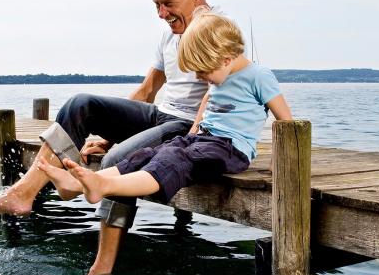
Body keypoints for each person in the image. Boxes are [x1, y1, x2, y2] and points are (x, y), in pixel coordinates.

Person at [0, 0, 211, 275]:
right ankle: (29, 190)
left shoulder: (215, 28)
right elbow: (148, 89)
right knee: (81, 104)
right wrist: (111, 133)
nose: (162, 13)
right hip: (161, 115)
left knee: (119, 160)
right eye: (156, 5)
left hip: (187, 126)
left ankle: (100, 270)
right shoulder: (169, 37)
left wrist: (192, 137)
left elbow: (219, 90)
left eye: (168, 4)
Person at [36, 12, 292, 222]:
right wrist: (192, 134)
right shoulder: (220, 76)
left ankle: (101, 186)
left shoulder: (259, 76)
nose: (201, 78)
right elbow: (207, 103)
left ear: (225, 59)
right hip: (203, 140)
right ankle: (79, 185)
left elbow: (287, 123)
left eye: (203, 72)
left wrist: (281, 163)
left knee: (174, 158)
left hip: (230, 150)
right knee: (150, 153)